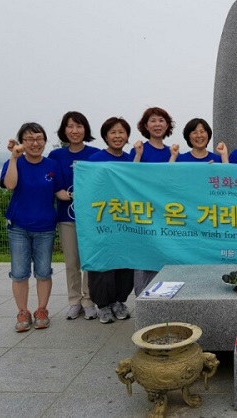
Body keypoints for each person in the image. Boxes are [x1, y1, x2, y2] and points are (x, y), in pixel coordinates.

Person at [1, 122, 69, 332]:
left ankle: (41, 310)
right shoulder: (14, 162)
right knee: (19, 273)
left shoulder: (51, 165)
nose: (35, 143)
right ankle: (22, 311)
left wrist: (79, 194)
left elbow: (59, 192)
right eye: (29, 139)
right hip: (19, 226)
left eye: (39, 138)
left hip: (45, 227)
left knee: (43, 272)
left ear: (45, 141)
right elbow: (10, 185)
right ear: (22, 142)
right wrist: (14, 157)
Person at [48, 112, 100, 320]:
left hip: (91, 217)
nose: (75, 131)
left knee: (89, 261)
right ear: (64, 130)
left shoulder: (95, 154)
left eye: (79, 126)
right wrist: (63, 193)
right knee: (71, 261)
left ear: (85, 129)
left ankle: (89, 300)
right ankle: (74, 301)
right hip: (66, 215)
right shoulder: (56, 156)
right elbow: (54, 184)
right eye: (70, 126)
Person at [87, 117, 134, 323]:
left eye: (121, 132)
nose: (117, 136)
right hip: (101, 219)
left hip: (125, 219)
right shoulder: (94, 160)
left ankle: (119, 301)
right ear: (105, 135)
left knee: (124, 261)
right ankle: (103, 305)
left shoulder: (131, 161)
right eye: (113, 132)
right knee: (102, 262)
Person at [129, 107, 175, 296]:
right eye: (153, 121)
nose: (157, 124)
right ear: (145, 125)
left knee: (163, 254)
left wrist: (173, 157)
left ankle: (163, 295)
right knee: (144, 256)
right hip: (144, 212)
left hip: (165, 212)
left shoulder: (172, 151)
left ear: (167, 125)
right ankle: (142, 298)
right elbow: (130, 178)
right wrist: (138, 155)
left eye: (161, 120)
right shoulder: (140, 149)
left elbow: (172, 180)